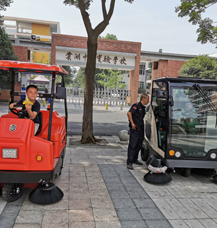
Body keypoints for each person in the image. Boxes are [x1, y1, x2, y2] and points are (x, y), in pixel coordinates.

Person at [127, 94, 150, 170]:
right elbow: (129, 113)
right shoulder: (136, 105)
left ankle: (135, 159)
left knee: (139, 145)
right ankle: (129, 162)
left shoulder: (144, 108)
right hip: (135, 129)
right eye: (147, 100)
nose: (148, 101)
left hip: (141, 129)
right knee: (132, 146)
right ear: (143, 99)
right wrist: (132, 123)